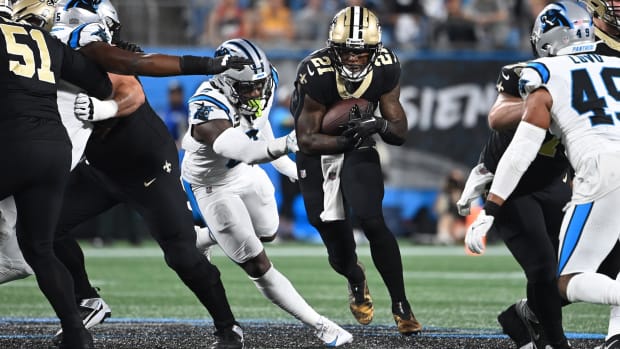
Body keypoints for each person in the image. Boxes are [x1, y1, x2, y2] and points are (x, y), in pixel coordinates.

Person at [5, 1, 252, 348]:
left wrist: (105, 108)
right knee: (47, 230)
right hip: (97, 169)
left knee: (181, 254)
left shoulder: (93, 50)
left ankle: (228, 326)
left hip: (145, 168)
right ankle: (88, 298)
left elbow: (132, 87)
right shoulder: (43, 51)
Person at [465, 2, 620, 349]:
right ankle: (552, 339)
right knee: (548, 270)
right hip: (528, 187)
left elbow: (520, 152)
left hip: (586, 173)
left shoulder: (544, 73)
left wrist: (487, 210)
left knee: (568, 277)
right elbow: (498, 119)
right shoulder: (610, 64)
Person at [181, 37, 353, 347]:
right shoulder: (207, 107)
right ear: (225, 80)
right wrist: (289, 144)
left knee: (269, 232)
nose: (257, 92)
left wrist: (290, 169)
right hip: (213, 184)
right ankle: (321, 326)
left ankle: (201, 237)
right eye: (247, 88)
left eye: (259, 84)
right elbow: (245, 149)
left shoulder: (266, 78)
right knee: (256, 263)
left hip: (245, 173)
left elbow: (258, 127)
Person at [291, 6, 422, 335]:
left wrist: (376, 123)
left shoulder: (387, 66)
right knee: (336, 245)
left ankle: (401, 303)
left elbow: (400, 132)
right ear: (334, 49)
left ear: (374, 50)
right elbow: (307, 140)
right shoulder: (315, 71)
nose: (352, 58)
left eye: (361, 51)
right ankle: (355, 277)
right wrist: (346, 138)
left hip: (358, 143)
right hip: (319, 149)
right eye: (346, 51)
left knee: (371, 218)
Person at [0, 1, 114, 347]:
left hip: (12, 144)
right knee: (40, 249)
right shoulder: (47, 41)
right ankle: (77, 335)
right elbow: (101, 83)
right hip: (53, 150)